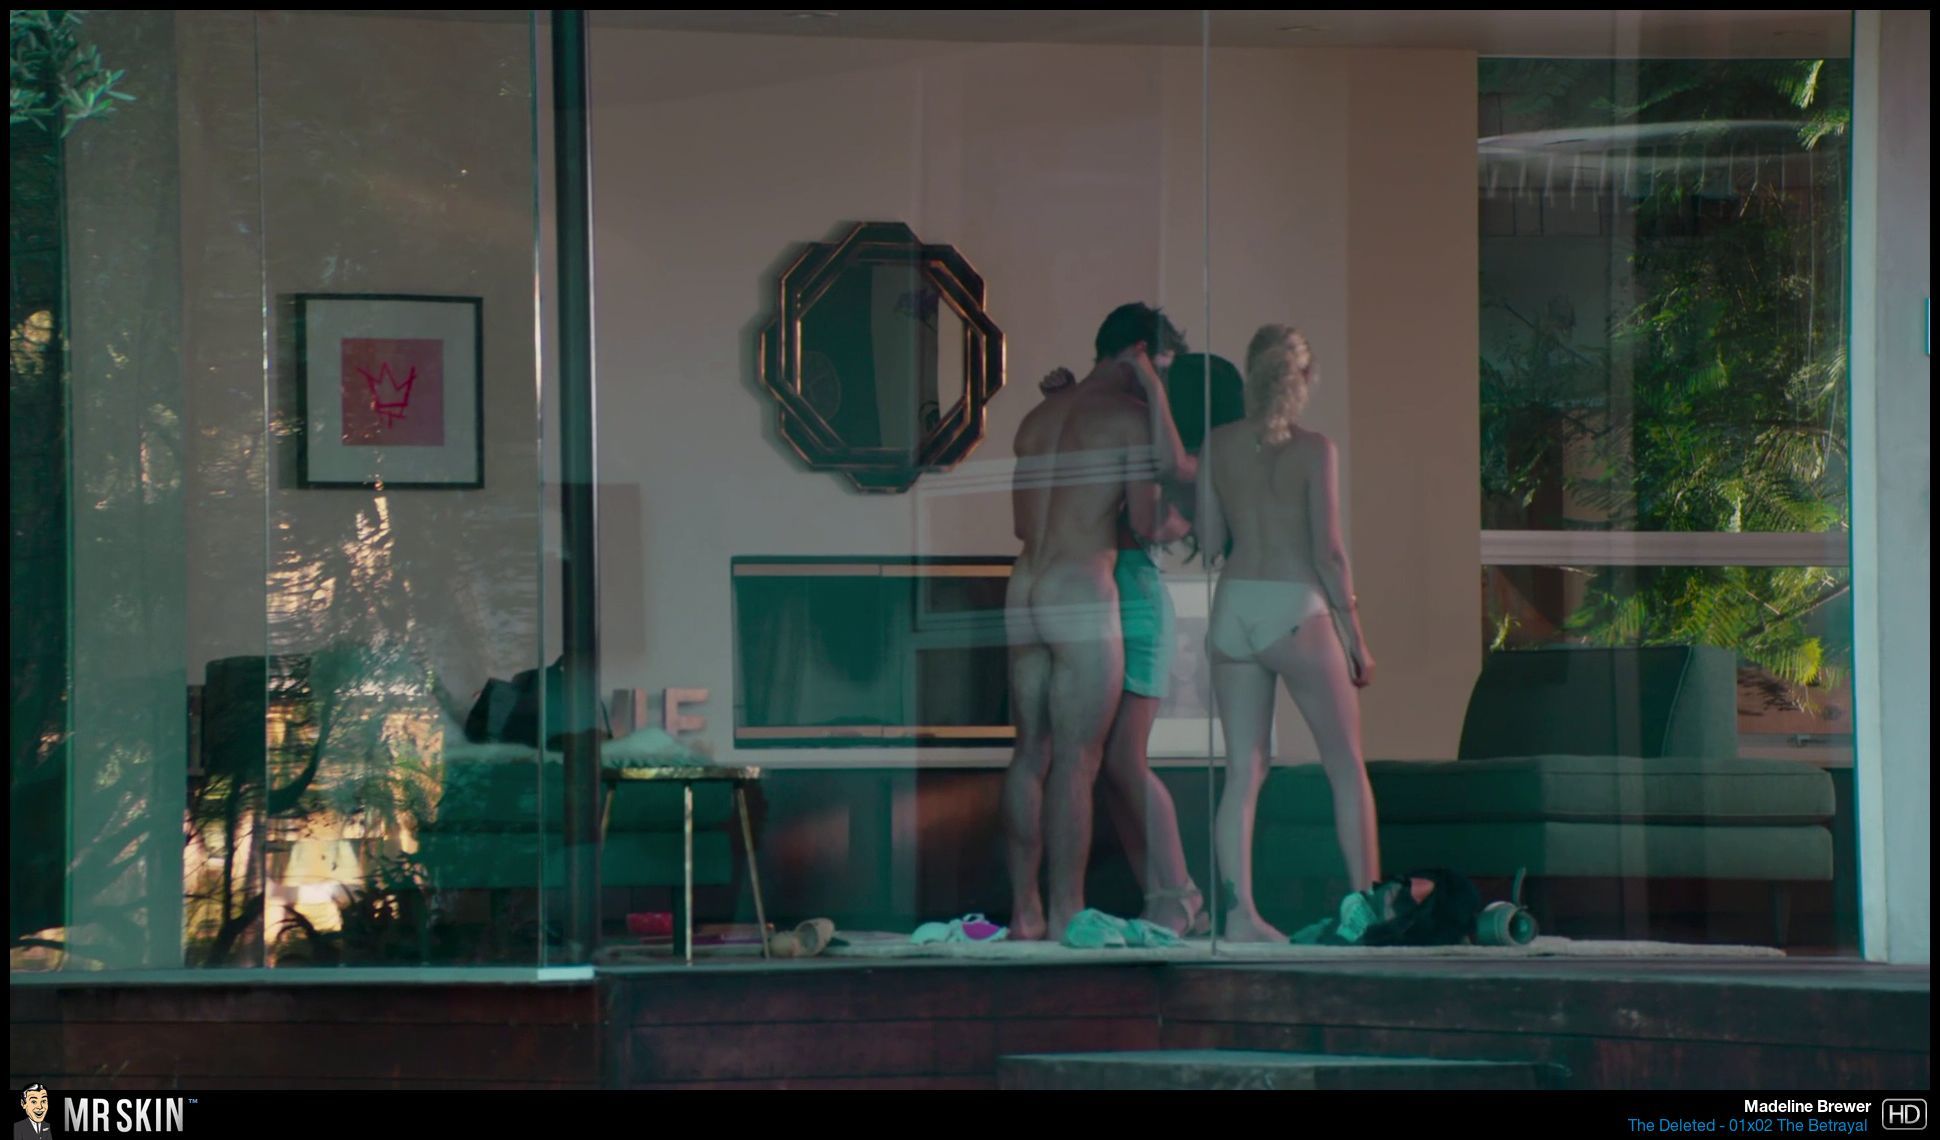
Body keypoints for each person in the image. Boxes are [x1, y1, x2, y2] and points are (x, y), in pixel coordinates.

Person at [1003, 303, 1194, 941]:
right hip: (1081, 587)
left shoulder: (1039, 417)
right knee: (1078, 761)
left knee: (1029, 754)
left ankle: (1024, 912)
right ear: (1141, 352)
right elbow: (1147, 522)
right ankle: (1066, 913)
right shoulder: (1131, 417)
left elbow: (1022, 523)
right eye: (1162, 363)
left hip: (1025, 585)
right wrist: (1194, 513)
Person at [1196, 324, 1378, 942]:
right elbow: (1329, 552)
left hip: (1234, 606)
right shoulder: (1315, 449)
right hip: (1296, 606)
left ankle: (1240, 915)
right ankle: (1367, 907)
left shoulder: (1217, 444)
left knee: (1243, 773)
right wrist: (1355, 637)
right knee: (1345, 767)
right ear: (1303, 378)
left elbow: (1210, 541)